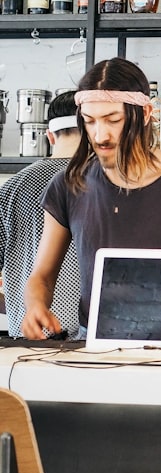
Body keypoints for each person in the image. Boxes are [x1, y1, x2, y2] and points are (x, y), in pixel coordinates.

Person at [22, 58, 161, 339]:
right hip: (93, 346)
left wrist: (159, 301)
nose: (99, 134)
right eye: (90, 121)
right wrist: (36, 305)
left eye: (113, 120)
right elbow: (42, 276)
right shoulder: (69, 184)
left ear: (144, 114)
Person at [0, 91, 84, 338]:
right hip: (98, 340)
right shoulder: (107, 183)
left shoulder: (12, 188)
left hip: (30, 340)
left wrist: (19, 303)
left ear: (49, 136)